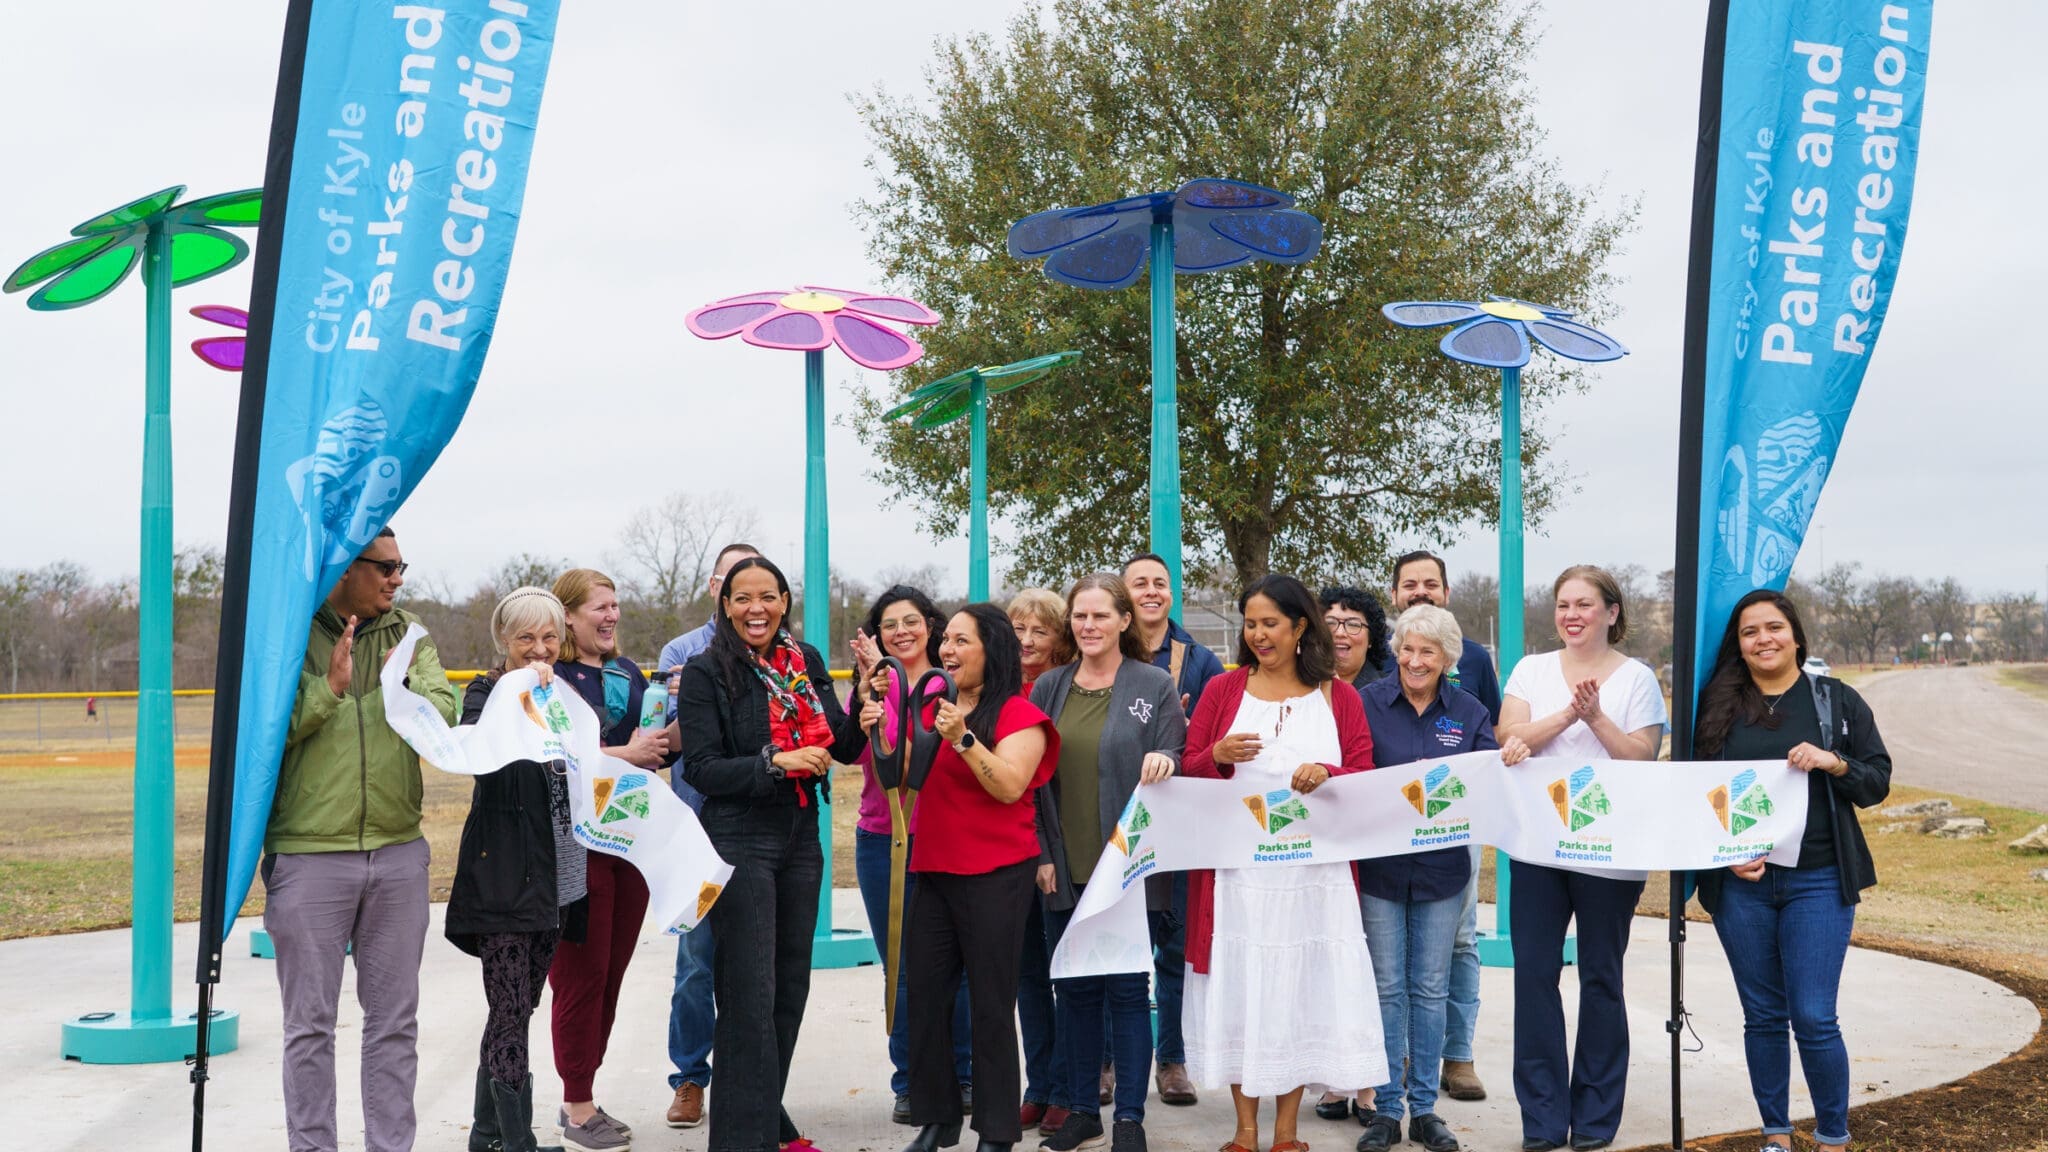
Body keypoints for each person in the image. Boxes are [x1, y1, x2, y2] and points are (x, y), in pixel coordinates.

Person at [265, 526, 457, 1152]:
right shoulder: (287, 632)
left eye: (403, 565)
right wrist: (331, 691)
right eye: (386, 567)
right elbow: (266, 734)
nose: (398, 578)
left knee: (395, 1024)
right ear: (343, 569)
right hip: (310, 856)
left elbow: (441, 712)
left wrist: (377, 702)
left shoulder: (411, 633)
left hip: (400, 851)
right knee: (310, 1026)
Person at [1182, 574, 1382, 1152]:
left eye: (1271, 623)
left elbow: (1366, 776)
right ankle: (1245, 1131)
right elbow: (1189, 772)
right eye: (1250, 623)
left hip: (1313, 881)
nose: (1258, 634)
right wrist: (1215, 756)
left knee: (1296, 996)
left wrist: (1330, 774)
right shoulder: (1224, 691)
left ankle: (1288, 1133)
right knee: (1245, 993)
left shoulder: (1337, 695)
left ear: (1300, 628)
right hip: (1237, 879)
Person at [676, 556, 866, 1152]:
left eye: (767, 596)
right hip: (739, 837)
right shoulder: (706, 672)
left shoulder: (805, 662)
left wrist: (867, 690)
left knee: (788, 991)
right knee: (748, 993)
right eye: (742, 598)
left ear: (785, 601)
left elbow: (843, 743)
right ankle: (742, 1140)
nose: (755, 608)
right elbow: (702, 769)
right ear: (725, 605)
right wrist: (772, 762)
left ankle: (764, 1122)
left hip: (799, 837)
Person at [1693, 590, 1892, 1152]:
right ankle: (1775, 1136)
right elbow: (1696, 793)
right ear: (1738, 644)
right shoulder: (1717, 706)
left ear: (1797, 635)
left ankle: (1833, 1137)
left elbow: (1876, 782)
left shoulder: (1835, 701)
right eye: (1750, 632)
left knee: (1813, 1015)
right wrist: (1725, 854)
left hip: (1820, 879)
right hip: (1742, 885)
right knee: (1762, 1015)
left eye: (1774, 628)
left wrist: (1834, 762)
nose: (1763, 640)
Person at [878, 603, 1061, 1152]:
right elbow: (904, 778)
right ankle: (937, 1120)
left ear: (992, 649)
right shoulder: (934, 702)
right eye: (947, 642)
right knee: (927, 998)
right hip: (933, 867)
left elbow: (1009, 786)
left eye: (961, 641)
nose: (947, 651)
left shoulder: (1019, 714)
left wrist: (962, 737)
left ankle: (998, 1131)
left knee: (989, 1003)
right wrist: (880, 735)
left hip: (996, 873)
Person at [1496, 565, 1666, 1152]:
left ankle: (1594, 1120)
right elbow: (1507, 734)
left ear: (1611, 613)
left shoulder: (1637, 678)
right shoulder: (1531, 669)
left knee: (1601, 979)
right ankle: (1543, 1122)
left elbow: (1641, 758)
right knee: (1536, 976)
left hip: (1608, 850)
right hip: (1538, 847)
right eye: (1564, 604)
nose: (1572, 615)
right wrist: (1568, 714)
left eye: (1585, 605)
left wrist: (1595, 717)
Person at [1353, 606, 1532, 1152]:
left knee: (1430, 990)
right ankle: (1385, 1110)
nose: (1414, 660)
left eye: (1427, 651)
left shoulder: (1471, 710)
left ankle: (1425, 1110)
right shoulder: (1367, 704)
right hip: (1380, 872)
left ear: (1448, 659)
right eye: (1407, 648)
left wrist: (1513, 754)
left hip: (1442, 873)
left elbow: (1488, 776)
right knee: (1386, 990)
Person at [1031, 574, 1187, 1152]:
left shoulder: (1154, 685)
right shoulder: (1048, 687)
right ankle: (1080, 1111)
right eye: (1080, 616)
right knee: (1072, 991)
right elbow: (1030, 779)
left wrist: (1166, 759)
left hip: (1129, 869)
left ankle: (1128, 1118)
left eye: (1100, 615)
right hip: (1062, 866)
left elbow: (1178, 752)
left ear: (1125, 620)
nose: (1089, 626)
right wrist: (1042, 856)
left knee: (1126, 992)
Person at [449, 587, 582, 1152]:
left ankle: (488, 1135)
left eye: (549, 636)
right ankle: (517, 1140)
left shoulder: (566, 695)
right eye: (525, 637)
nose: (539, 648)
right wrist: (518, 691)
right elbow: (486, 756)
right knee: (507, 1010)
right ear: (503, 641)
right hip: (502, 875)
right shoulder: (485, 693)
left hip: (557, 876)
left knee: (520, 1006)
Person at [549, 569, 673, 1152]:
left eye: (616, 606)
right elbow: (555, 756)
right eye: (599, 607)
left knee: (611, 976)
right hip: (578, 845)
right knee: (581, 974)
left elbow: (650, 744)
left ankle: (585, 1095)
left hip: (630, 840)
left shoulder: (628, 672)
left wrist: (675, 732)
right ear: (567, 615)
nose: (612, 616)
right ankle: (576, 1105)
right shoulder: (551, 678)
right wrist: (629, 752)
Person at [847, 585, 975, 1125]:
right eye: (889, 625)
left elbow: (918, 758)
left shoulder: (947, 684)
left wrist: (895, 688)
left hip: (944, 836)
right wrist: (866, 691)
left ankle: (963, 1075)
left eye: (911, 621)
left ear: (930, 625)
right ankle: (912, 1081)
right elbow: (872, 760)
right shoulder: (872, 688)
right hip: (884, 838)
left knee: (959, 967)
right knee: (900, 967)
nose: (901, 632)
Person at [1389, 550, 1500, 1105]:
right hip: (1385, 851)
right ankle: (1394, 1072)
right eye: (1410, 584)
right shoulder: (1378, 679)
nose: (1421, 592)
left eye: (1431, 583)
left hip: (1448, 841)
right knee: (1391, 966)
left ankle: (1456, 1056)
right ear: (1395, 594)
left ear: (1447, 591)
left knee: (1456, 947)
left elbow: (1491, 745)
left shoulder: (1475, 660)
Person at [658, 542, 761, 1130]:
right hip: (695, 831)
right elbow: (672, 739)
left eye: (755, 586)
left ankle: (754, 1081)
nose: (744, 598)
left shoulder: (784, 656)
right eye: (731, 583)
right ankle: (691, 1078)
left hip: (759, 829)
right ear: (715, 589)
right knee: (696, 963)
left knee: (756, 966)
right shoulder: (682, 652)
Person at [1120, 552, 1223, 1108]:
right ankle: (1111, 1061)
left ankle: (1173, 1060)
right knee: (1119, 942)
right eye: (1140, 583)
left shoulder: (1200, 659)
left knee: (1175, 946)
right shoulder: (1106, 651)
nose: (1152, 592)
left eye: (1161, 583)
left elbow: (1208, 738)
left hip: (1182, 823)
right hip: (1121, 818)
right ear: (1125, 594)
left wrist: (1180, 735)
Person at [1009, 587, 1078, 1137]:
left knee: (1069, 976)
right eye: (1017, 630)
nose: (1027, 642)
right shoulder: (1000, 689)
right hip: (1008, 853)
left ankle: (1069, 1089)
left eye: (1039, 631)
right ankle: (1039, 1087)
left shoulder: (1067, 689)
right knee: (1028, 974)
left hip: (1060, 850)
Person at [1320, 586, 1392, 689]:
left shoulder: (1388, 691)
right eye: (1330, 623)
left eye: (1353, 625)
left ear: (1371, 639)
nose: (1340, 633)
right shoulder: (1297, 686)